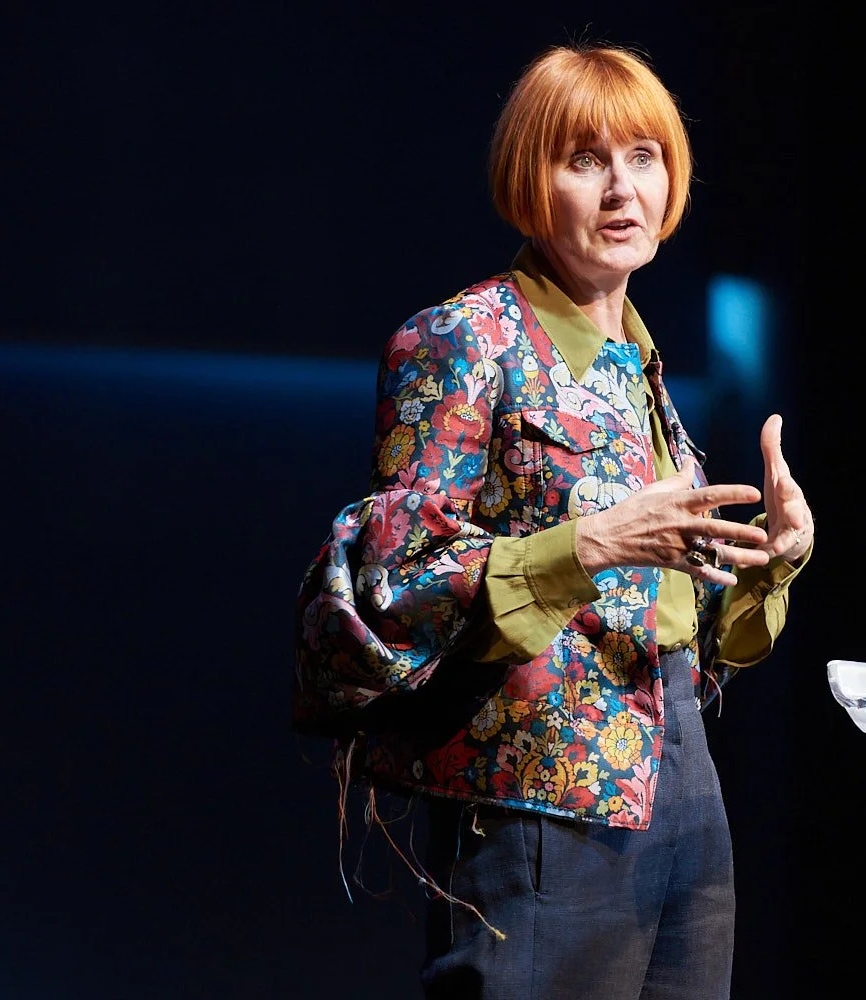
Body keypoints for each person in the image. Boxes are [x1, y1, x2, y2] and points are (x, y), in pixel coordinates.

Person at [291, 41, 814, 1000]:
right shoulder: (464, 338)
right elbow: (389, 582)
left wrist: (769, 563)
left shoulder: (643, 368)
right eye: (585, 160)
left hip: (680, 773)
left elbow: (672, 622)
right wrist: (588, 546)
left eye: (644, 157)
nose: (623, 188)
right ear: (531, 181)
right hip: (537, 786)